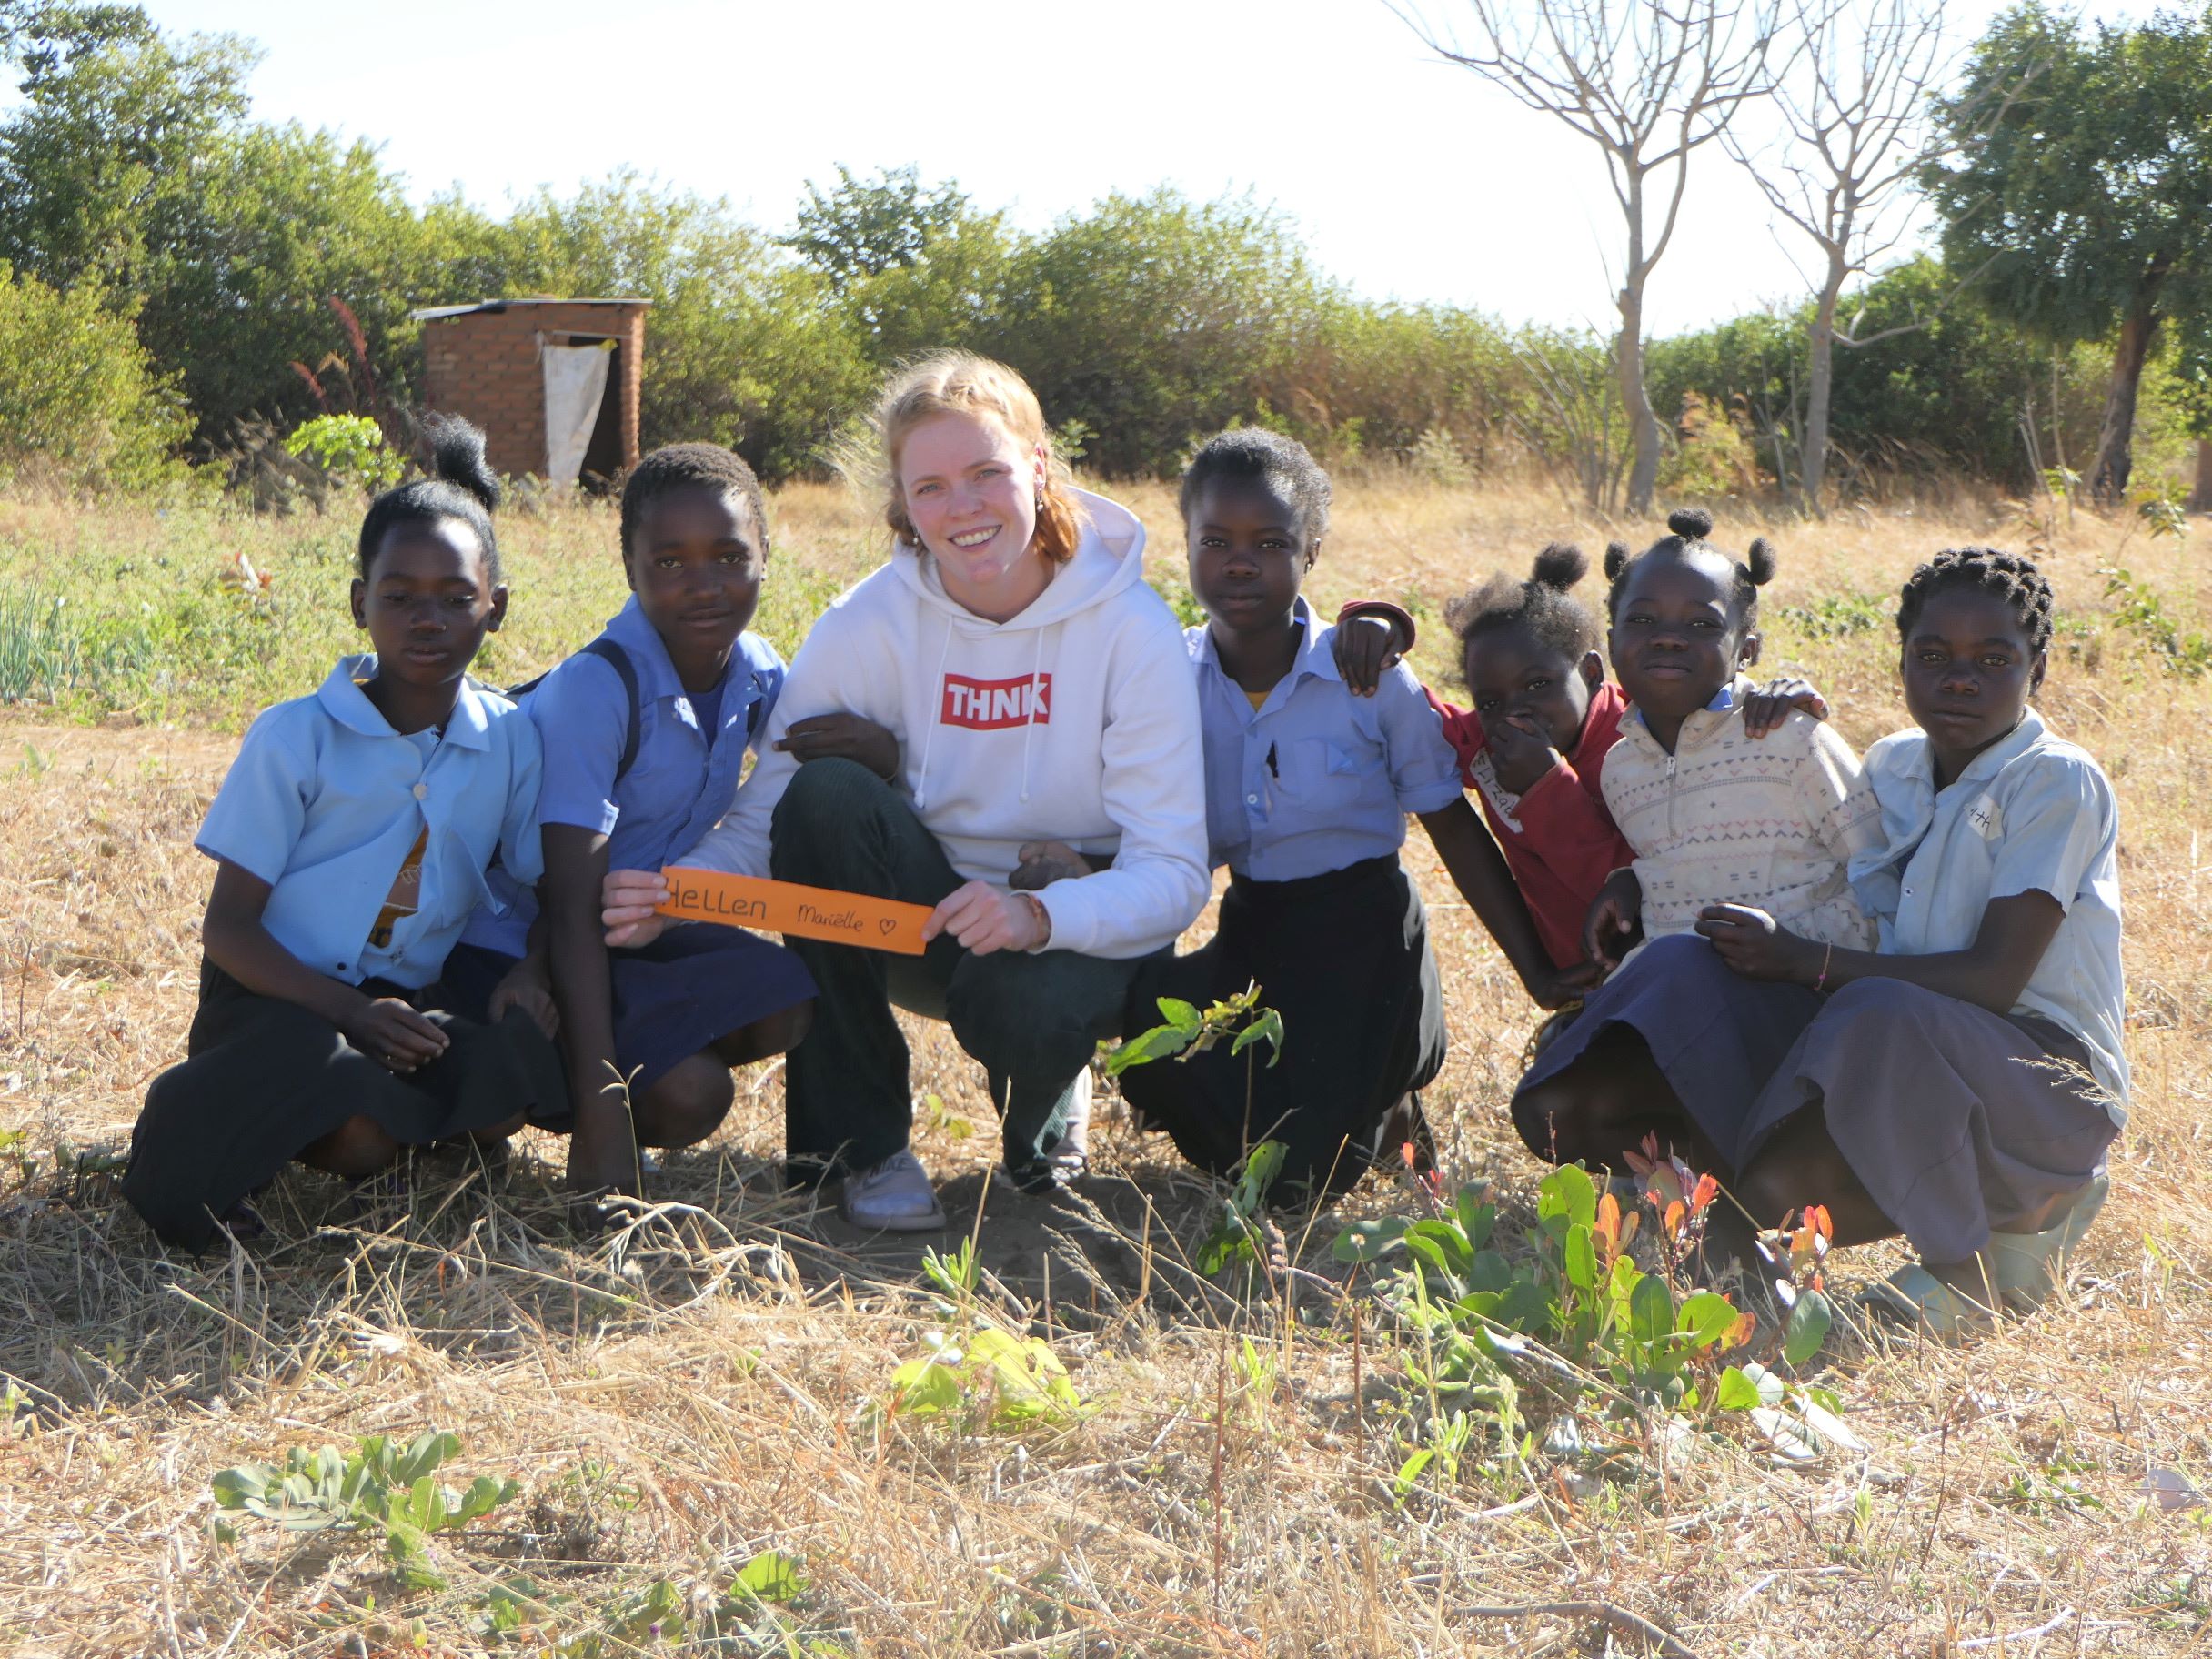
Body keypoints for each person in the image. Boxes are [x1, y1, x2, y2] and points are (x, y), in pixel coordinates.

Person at [601, 353, 1207, 1230]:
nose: (962, 508)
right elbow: (772, 814)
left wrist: (1041, 918)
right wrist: (679, 894)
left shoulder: (1131, 627)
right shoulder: (867, 623)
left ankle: (1047, 1088)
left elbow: (1176, 872)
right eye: (930, 487)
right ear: (903, 505)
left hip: (1079, 925)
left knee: (1025, 1010)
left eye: (987, 473)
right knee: (828, 794)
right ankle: (860, 1146)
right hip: (925, 924)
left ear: (1038, 466)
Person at [122, 422, 563, 1252]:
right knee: (338, 1096)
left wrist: (533, 972)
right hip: (277, 1003)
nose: (426, 619)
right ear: (360, 603)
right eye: (399, 596)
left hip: (407, 1007)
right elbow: (229, 929)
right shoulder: (295, 738)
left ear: (494, 608)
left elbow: (542, 887)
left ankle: (398, 1134)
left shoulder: (509, 737)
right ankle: (238, 1149)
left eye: (456, 597)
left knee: (513, 1071)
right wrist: (351, 1014)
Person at [1700, 548, 2123, 1335]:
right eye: (1932, 656)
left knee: (1874, 1005)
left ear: (2041, 669)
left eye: (1994, 660)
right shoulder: (1893, 764)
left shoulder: (2055, 781)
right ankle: (1704, 1220)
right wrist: (1784, 715)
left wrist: (1808, 963)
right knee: (1773, 1180)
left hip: (2046, 1088)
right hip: (1911, 1061)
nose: (1959, 678)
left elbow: (1995, 981)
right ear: (1900, 660)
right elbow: (1814, 868)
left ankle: (1965, 1273)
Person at [442, 445, 818, 1201]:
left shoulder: (757, 673)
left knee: (786, 995)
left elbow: (812, 754)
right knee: (686, 1094)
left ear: (766, 557)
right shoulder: (598, 687)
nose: (704, 585)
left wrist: (876, 745)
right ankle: (501, 1101)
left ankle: (558, 1074)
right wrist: (603, 1118)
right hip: (513, 947)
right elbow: (569, 906)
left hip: (621, 937)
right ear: (630, 566)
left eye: (728, 556)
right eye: (670, 562)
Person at [1107, 429, 1464, 1195]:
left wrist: (1537, 966)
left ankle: (1390, 1101)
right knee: (1154, 1037)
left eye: (1271, 542)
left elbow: (1451, 820)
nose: (1241, 561)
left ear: (1312, 553)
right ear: (1188, 547)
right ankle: (1356, 1116)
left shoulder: (1367, 677)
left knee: (1304, 1179)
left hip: (1371, 938)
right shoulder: (1163, 678)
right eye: (1216, 540)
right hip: (1256, 934)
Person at [1507, 508, 1883, 1178]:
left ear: (1747, 649)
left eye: (1702, 624)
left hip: (1802, 1005)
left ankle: (1744, 1192)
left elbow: (1881, 871)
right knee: (1558, 1091)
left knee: (1680, 962)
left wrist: (1812, 958)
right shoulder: (1624, 766)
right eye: (1644, 620)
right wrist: (1631, 882)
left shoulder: (1790, 740)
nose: (1669, 639)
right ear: (1613, 639)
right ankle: (1678, 1180)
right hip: (1689, 1015)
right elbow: (1672, 862)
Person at [1333, 548, 1830, 1015]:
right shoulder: (1491, 745)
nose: (1516, 710)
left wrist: (1546, 788)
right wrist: (1375, 623)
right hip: (1588, 987)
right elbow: (1409, 713)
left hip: (1688, 978)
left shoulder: (1641, 739)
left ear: (1592, 672)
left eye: (1538, 685)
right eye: (1490, 701)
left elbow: (1655, 884)